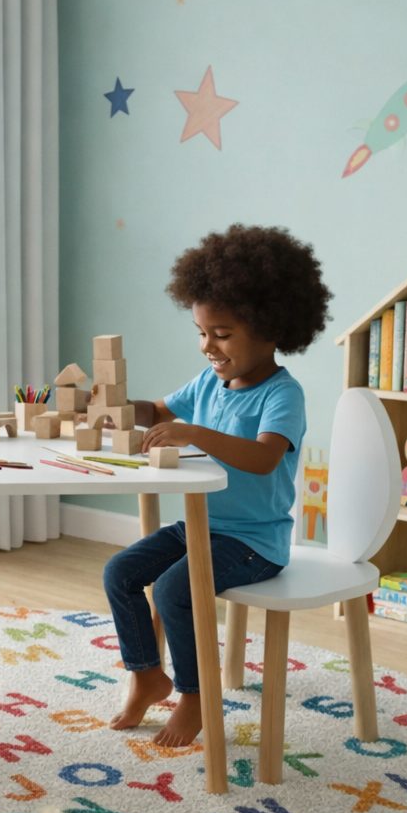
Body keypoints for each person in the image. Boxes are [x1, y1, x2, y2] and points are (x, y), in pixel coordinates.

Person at [103, 224, 332, 746]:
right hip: (201, 528)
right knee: (120, 572)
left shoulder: (282, 396)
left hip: (254, 542)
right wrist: (115, 403)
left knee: (172, 590)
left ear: (270, 329)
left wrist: (193, 432)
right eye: (202, 332)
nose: (208, 345)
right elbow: (158, 410)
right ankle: (145, 676)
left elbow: (262, 456)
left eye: (222, 334)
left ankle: (196, 696)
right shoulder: (212, 379)